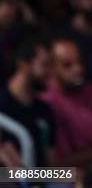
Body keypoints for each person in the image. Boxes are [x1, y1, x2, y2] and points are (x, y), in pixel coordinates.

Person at [41, 37, 92, 167]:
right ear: (51, 68)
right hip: (61, 177)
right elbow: (55, 165)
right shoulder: (45, 103)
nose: (77, 69)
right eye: (67, 65)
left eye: (79, 62)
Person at [0, 36, 56, 166]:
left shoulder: (44, 110)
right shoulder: (2, 106)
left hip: (40, 181)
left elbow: (51, 162)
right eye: (45, 65)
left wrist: (68, 175)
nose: (51, 73)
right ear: (23, 65)